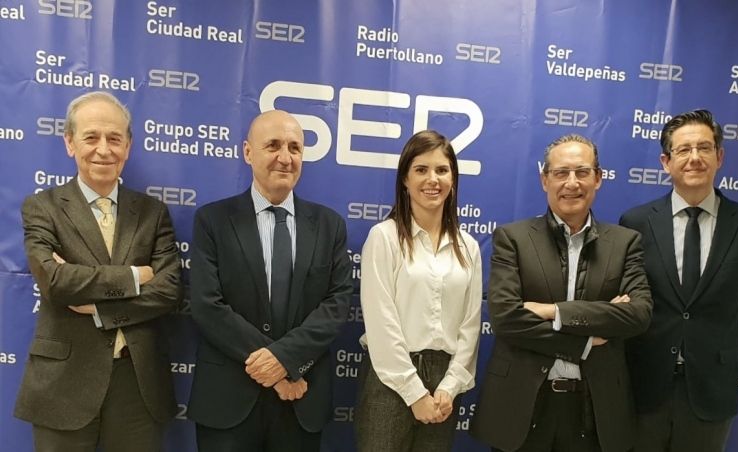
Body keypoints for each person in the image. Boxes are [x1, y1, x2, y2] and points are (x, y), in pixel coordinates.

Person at [15, 91, 183, 452]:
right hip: (63, 386)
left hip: (137, 386)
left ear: (128, 146)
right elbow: (55, 282)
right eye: (91, 137)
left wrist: (99, 309)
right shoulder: (42, 207)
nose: (103, 149)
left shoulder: (153, 213)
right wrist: (135, 277)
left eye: (114, 138)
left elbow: (169, 290)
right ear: (70, 143)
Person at [471, 134, 653, 452]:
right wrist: (585, 341)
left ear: (598, 178)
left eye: (582, 172)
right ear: (545, 180)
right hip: (522, 407)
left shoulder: (625, 243)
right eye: (561, 173)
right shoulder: (512, 239)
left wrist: (553, 312)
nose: (572, 183)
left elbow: (638, 315)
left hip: (595, 410)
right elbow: (505, 319)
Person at [188, 110, 353, 451]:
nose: (285, 157)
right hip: (228, 400)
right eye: (273, 145)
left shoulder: (329, 225)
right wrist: (279, 368)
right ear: (248, 152)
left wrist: (285, 360)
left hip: (301, 400)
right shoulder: (212, 220)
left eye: (294, 148)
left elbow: (336, 305)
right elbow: (207, 305)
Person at [619, 109, 738, 452]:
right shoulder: (636, 223)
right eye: (684, 149)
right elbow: (629, 302)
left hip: (711, 389)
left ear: (720, 157)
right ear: (666, 162)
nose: (695, 158)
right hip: (644, 385)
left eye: (704, 148)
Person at [353, 129, 482, 451]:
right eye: (421, 169)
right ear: (405, 180)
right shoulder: (384, 237)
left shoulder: (468, 246)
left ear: (453, 179)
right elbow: (381, 323)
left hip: (444, 387)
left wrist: (450, 386)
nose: (432, 180)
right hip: (390, 379)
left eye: (442, 170)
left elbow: (470, 325)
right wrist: (414, 393)